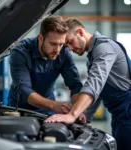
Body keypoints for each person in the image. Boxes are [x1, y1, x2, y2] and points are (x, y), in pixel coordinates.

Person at [45, 18, 131, 150]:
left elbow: (94, 83)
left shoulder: (105, 48)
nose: (71, 49)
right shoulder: (92, 57)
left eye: (70, 42)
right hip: (120, 116)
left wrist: (72, 115)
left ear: (80, 32)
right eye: (67, 46)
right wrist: (86, 117)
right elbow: (98, 92)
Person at [8, 16, 82, 116]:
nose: (57, 50)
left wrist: (77, 111)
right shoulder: (21, 52)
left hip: (48, 109)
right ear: (41, 38)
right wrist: (53, 105)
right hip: (19, 109)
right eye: (53, 44)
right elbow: (23, 89)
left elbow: (75, 84)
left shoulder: (64, 52)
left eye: (61, 44)